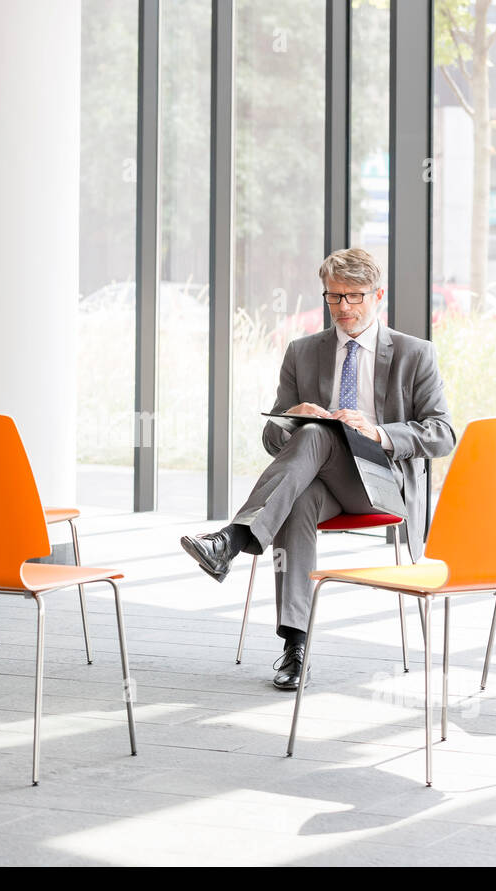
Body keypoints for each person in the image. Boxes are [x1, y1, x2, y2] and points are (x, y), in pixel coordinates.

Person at [180, 248, 455, 690]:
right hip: (323, 481)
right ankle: (295, 646)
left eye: (354, 297)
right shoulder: (302, 352)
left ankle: (232, 539)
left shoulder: (413, 353)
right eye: (333, 297)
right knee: (301, 484)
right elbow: (272, 439)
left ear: (378, 295)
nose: (343, 307)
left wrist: (379, 431)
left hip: (380, 483)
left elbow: (442, 434)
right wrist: (293, 417)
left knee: (316, 436)